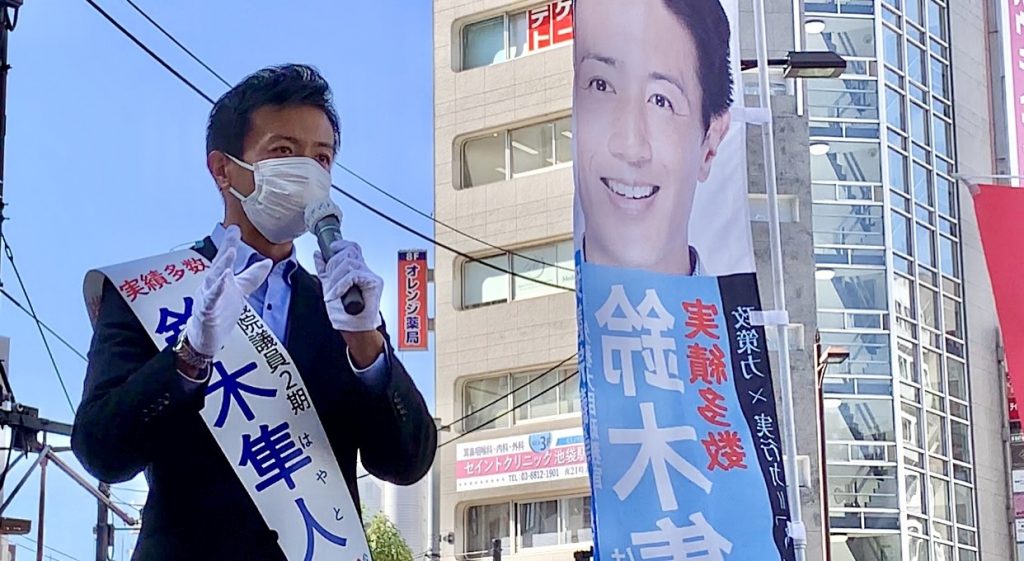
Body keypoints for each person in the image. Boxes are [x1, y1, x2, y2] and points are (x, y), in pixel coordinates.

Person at [71, 64, 436, 560]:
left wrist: (367, 345)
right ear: (223, 169)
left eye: (322, 158)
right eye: (284, 152)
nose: (307, 172)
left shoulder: (343, 306)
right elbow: (101, 450)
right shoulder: (154, 292)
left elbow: (407, 461)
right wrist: (189, 358)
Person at [574, 0, 734, 275]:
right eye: (601, 85)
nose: (630, 146)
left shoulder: (733, 315)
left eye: (661, 101)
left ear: (710, 144)